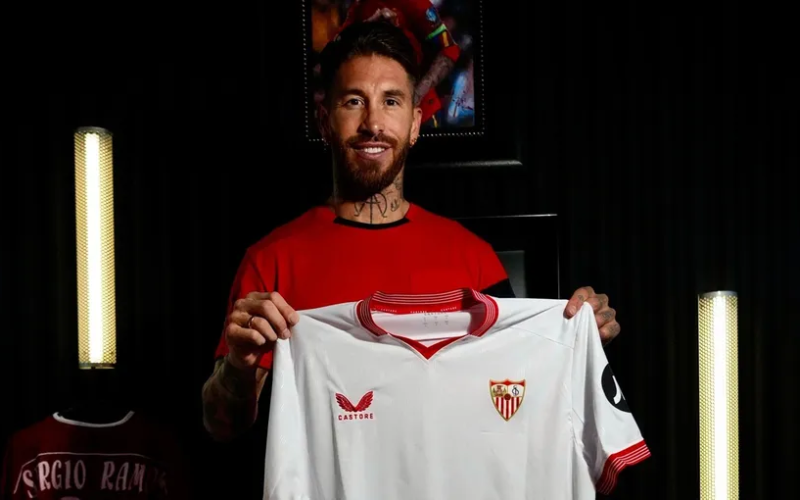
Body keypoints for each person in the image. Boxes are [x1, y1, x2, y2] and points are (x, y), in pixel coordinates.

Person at [201, 21, 621, 444]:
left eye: (391, 101)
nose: (373, 123)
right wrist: (238, 364)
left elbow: (521, 392)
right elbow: (222, 424)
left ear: (416, 123)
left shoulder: (473, 258)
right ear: (325, 120)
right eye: (353, 101)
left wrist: (577, 339)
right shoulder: (271, 260)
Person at [337, 0, 461, 126]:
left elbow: (449, 49)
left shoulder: (416, 4)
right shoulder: (360, 6)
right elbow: (336, 50)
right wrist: (368, 26)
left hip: (420, 114)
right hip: (375, 113)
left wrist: (415, 96)